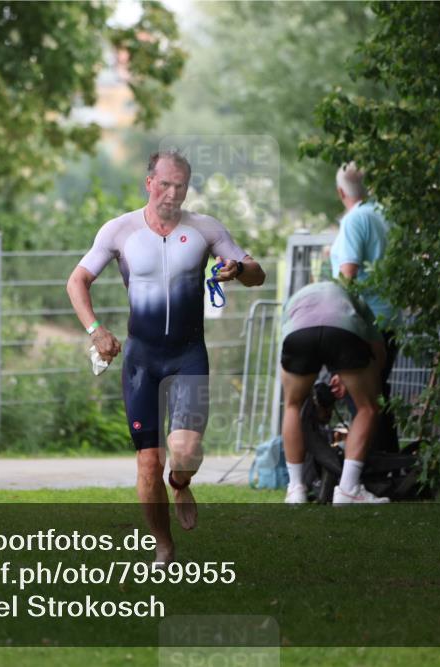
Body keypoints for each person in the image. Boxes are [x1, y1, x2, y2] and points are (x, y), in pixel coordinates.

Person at [66, 150, 265, 563]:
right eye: (165, 184)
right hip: (142, 359)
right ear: (149, 183)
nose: (172, 193)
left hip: (188, 355)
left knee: (186, 450)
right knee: (147, 461)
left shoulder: (205, 228)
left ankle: (181, 481)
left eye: (181, 186)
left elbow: (254, 270)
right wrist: (95, 330)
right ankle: (163, 543)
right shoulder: (120, 230)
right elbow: (78, 280)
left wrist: (238, 270)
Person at [278, 279, 389, 504]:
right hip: (344, 332)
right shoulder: (353, 298)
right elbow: (377, 347)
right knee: (367, 408)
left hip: (299, 335)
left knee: (292, 405)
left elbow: (285, 340)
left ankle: (296, 490)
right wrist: (369, 382)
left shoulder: (295, 298)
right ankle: (348, 489)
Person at [330, 161, 400, 453]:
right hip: (389, 320)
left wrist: (338, 320)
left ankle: (366, 470)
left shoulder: (354, 220)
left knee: (361, 401)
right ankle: (389, 467)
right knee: (378, 397)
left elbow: (348, 273)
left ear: (340, 192)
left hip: (362, 323)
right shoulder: (385, 215)